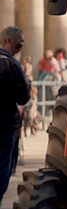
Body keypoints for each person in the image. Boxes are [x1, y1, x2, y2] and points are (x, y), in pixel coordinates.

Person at [1, 26, 32, 199]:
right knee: (3, 172)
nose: (21, 48)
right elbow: (23, 98)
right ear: (8, 41)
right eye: (19, 44)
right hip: (5, 127)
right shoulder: (12, 64)